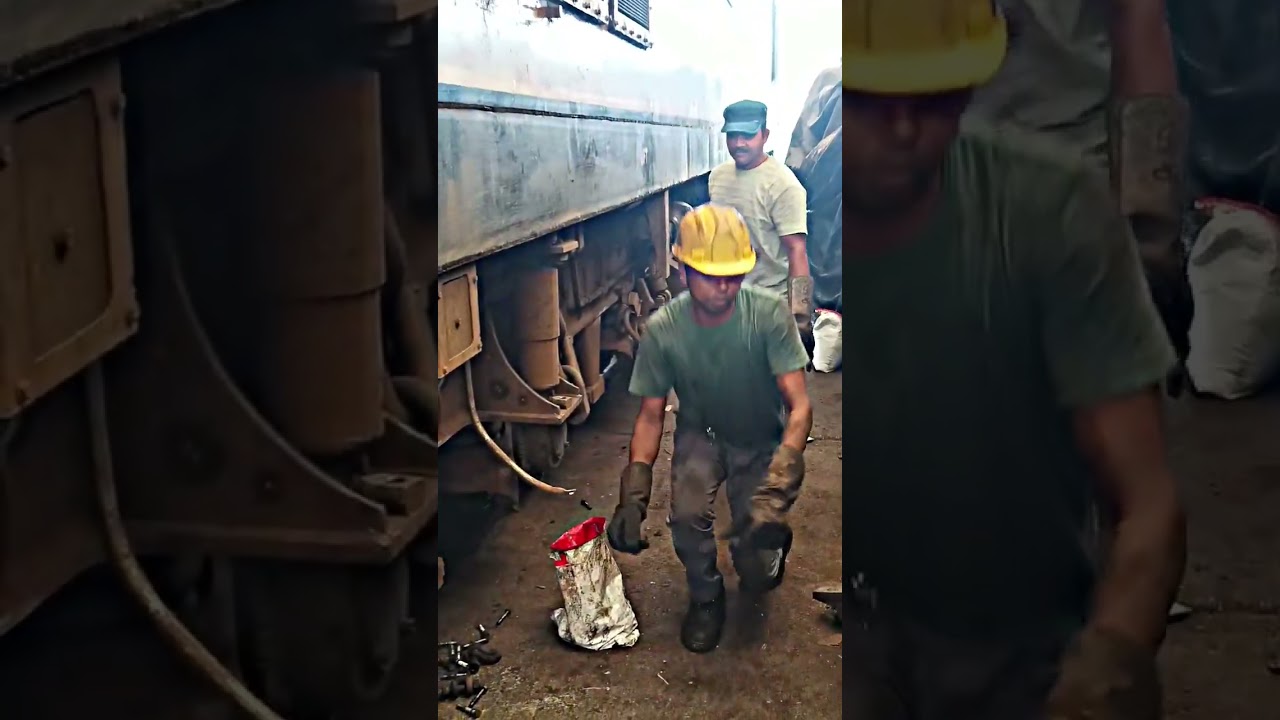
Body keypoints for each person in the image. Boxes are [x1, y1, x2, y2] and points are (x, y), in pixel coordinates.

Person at [841, 3, 1186, 719]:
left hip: (1057, 208)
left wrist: (1109, 670)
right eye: (872, 104)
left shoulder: (1053, 211)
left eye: (926, 102)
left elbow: (1145, 502)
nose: (902, 130)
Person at [605, 203, 812, 654]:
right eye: (711, 275)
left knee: (755, 564)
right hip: (702, 435)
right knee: (685, 517)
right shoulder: (663, 330)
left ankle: (768, 556)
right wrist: (634, 492)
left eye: (734, 275)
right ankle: (706, 597)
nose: (724, 287)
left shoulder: (769, 315)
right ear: (682, 268)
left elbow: (799, 407)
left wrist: (779, 484)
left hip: (759, 438)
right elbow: (650, 416)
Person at [709, 100, 814, 355]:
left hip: (768, 308)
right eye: (733, 136)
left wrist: (800, 319)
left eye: (748, 135)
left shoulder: (784, 186)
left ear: (765, 136)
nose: (739, 143)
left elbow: (796, 252)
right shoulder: (717, 177)